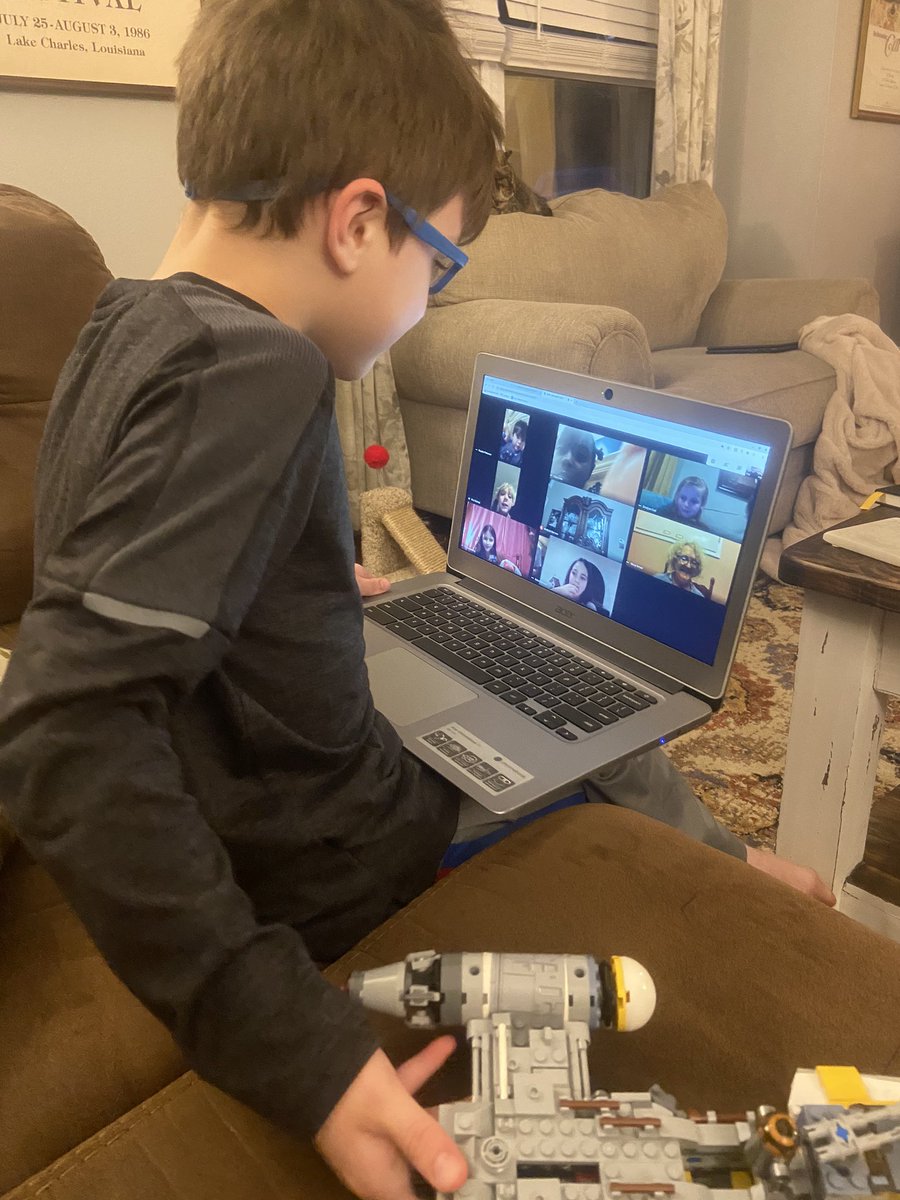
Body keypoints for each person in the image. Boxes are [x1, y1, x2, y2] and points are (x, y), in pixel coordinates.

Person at [0, 6, 835, 1198]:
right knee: (600, 735)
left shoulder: (128, 321)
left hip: (265, 771)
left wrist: (280, 583)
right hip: (335, 857)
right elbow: (65, 733)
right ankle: (742, 872)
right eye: (437, 267)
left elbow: (108, 558)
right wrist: (303, 1053)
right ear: (356, 221)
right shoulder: (259, 367)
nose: (422, 308)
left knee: (528, 672)